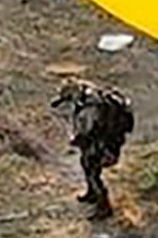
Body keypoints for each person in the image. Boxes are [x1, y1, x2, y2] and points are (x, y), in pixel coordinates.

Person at [50, 78, 134, 218]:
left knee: (93, 171)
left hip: (103, 142)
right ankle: (92, 193)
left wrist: (76, 139)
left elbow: (89, 129)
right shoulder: (90, 96)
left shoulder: (91, 106)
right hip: (101, 139)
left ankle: (104, 207)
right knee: (86, 163)